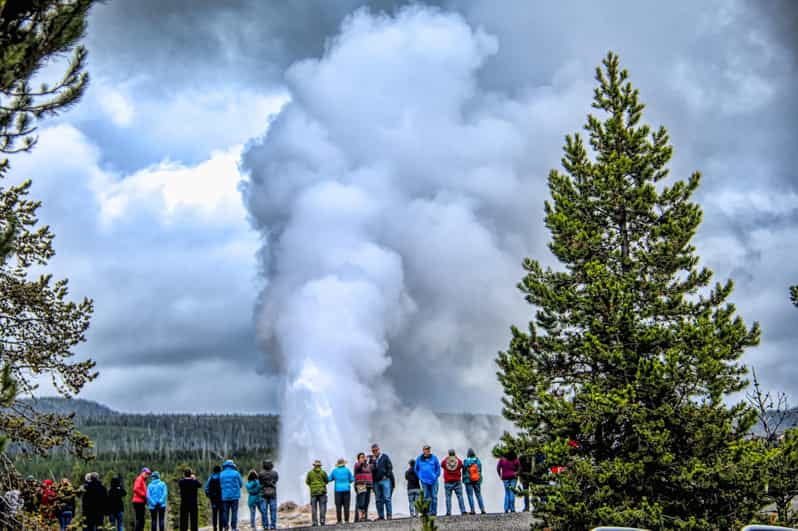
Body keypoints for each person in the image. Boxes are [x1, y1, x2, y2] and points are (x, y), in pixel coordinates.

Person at [414, 445, 441, 516]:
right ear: (423, 450)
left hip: (434, 480)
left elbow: (438, 467)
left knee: (434, 496)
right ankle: (428, 512)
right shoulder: (419, 459)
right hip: (424, 481)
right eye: (426, 449)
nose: (428, 450)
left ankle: (434, 512)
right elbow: (416, 469)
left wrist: (436, 476)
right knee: (426, 496)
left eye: (428, 449)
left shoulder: (434, 458)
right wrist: (420, 477)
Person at [370, 443, 393, 520]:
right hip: (376, 481)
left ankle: (389, 515)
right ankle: (381, 516)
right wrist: (373, 462)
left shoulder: (385, 457)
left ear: (379, 449)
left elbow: (390, 467)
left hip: (385, 480)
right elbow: (371, 470)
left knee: (387, 498)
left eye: (376, 450)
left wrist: (387, 475)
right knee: (378, 499)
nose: (375, 452)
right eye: (373, 451)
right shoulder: (371, 459)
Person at [328, 458, 354, 524]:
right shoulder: (347, 470)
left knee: (338, 506)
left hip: (338, 490)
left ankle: (339, 521)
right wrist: (346, 482)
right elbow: (351, 479)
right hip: (346, 489)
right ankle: (346, 520)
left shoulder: (334, 471)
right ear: (344, 464)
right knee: (346, 505)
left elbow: (329, 479)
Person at [442, 449, 466, 516]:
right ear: (454, 453)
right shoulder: (458, 460)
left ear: (448, 454)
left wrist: (447, 458)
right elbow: (462, 465)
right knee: (460, 496)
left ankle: (448, 512)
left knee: (448, 497)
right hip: (457, 481)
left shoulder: (445, 461)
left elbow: (442, 464)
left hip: (448, 482)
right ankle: (463, 510)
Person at [220, 459, 243, 531]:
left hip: (225, 496)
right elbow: (241, 484)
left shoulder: (221, 474)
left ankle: (226, 527)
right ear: (232, 465)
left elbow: (220, 484)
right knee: (234, 512)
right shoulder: (236, 473)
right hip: (234, 496)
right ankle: (234, 528)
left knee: (225, 512)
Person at [462, 448, 486, 515]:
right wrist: (480, 479)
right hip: (477, 480)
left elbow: (463, 471)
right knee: (478, 495)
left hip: (468, 480)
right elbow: (480, 470)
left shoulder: (466, 461)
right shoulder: (478, 461)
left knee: (470, 495)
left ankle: (472, 510)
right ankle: (482, 509)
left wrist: (464, 479)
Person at [305, 459, 328, 527]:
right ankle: (322, 520)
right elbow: (326, 481)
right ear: (320, 465)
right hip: (322, 492)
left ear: (314, 465)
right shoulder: (323, 472)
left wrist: (312, 486)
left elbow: (307, 482)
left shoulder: (310, 473)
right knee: (322, 507)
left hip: (313, 493)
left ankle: (315, 522)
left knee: (314, 508)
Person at [258, 460, 278, 530]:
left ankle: (265, 526)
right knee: (273, 510)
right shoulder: (275, 473)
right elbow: (276, 480)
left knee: (264, 511)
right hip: (273, 493)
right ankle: (273, 525)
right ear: (271, 465)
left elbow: (260, 482)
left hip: (263, 494)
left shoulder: (260, 474)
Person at [353, 452, 372, 523]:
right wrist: (362, 461)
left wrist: (372, 459)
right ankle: (360, 518)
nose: (363, 458)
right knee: (361, 502)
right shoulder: (357, 464)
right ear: (358, 459)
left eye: (364, 457)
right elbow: (359, 466)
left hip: (368, 485)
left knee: (366, 502)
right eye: (361, 457)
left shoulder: (368, 466)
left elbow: (374, 466)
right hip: (361, 485)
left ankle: (364, 517)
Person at [204, 465, 223, 531]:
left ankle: (215, 527)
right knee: (221, 513)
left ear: (214, 471)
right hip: (221, 498)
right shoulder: (221, 477)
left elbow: (206, 487)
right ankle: (221, 528)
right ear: (220, 470)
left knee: (214, 513)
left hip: (213, 499)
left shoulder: (211, 477)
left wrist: (208, 495)